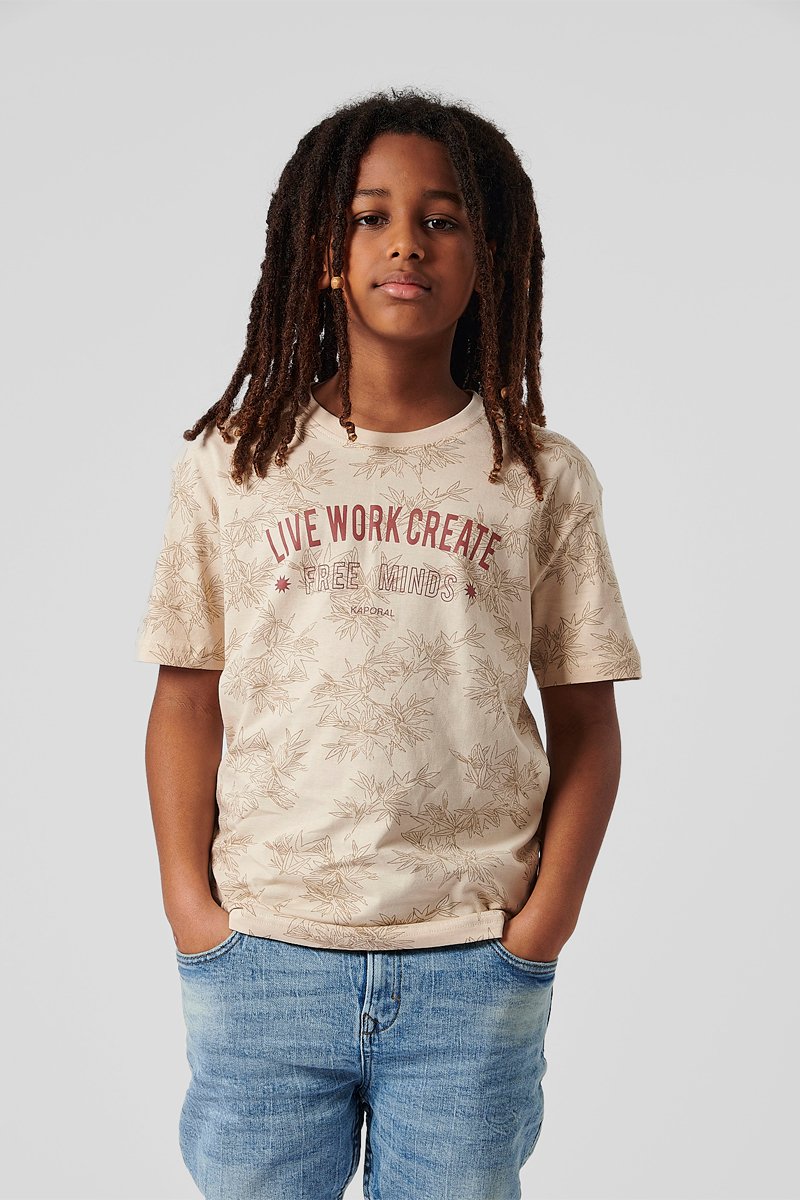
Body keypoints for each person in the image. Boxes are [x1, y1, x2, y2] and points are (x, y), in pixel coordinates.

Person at [135, 86, 642, 1200]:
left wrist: (541, 928)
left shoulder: (539, 477)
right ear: (322, 253)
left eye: (441, 218)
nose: (405, 242)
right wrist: (191, 910)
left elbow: (587, 719)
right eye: (369, 216)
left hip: (472, 964)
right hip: (265, 956)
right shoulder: (234, 465)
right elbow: (184, 698)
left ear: (490, 257)